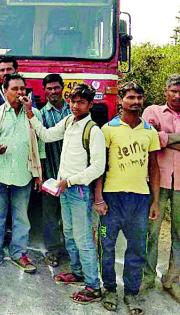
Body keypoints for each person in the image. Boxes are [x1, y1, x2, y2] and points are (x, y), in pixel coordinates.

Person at [29, 83, 106, 304]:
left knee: (83, 240)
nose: (75, 105)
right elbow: (46, 134)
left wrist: (69, 181)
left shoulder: (93, 130)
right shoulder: (69, 121)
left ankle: (93, 287)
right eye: (73, 101)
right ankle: (78, 272)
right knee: (70, 234)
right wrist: (29, 114)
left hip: (78, 191)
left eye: (81, 102)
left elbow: (97, 168)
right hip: (65, 189)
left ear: (90, 104)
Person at [94, 82, 160, 313]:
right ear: (121, 100)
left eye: (139, 98)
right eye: (131, 97)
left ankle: (131, 293)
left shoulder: (149, 131)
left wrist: (155, 201)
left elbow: (154, 168)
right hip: (112, 198)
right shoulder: (108, 129)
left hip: (140, 199)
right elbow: (100, 167)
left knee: (137, 249)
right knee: (107, 245)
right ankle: (110, 288)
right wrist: (99, 197)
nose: (136, 102)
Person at [0, 73, 45, 274]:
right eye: (15, 89)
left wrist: (38, 174)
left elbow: (40, 145)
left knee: (21, 217)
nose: (19, 93)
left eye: (22, 89)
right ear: (4, 91)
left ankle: (19, 254)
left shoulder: (34, 114)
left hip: (24, 173)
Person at [142, 74, 180, 302]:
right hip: (157, 181)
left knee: (179, 235)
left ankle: (172, 280)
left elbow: (160, 139)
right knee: (151, 233)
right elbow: (149, 138)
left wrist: (165, 138)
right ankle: (147, 278)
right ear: (165, 91)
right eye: (173, 91)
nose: (177, 95)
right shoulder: (152, 111)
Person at [38, 73, 71, 267]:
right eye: (49, 89)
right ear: (45, 91)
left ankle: (72, 249)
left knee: (71, 214)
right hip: (51, 172)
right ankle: (53, 250)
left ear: (62, 88)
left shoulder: (74, 110)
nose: (53, 92)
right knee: (50, 214)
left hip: (72, 175)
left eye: (56, 88)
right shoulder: (41, 115)